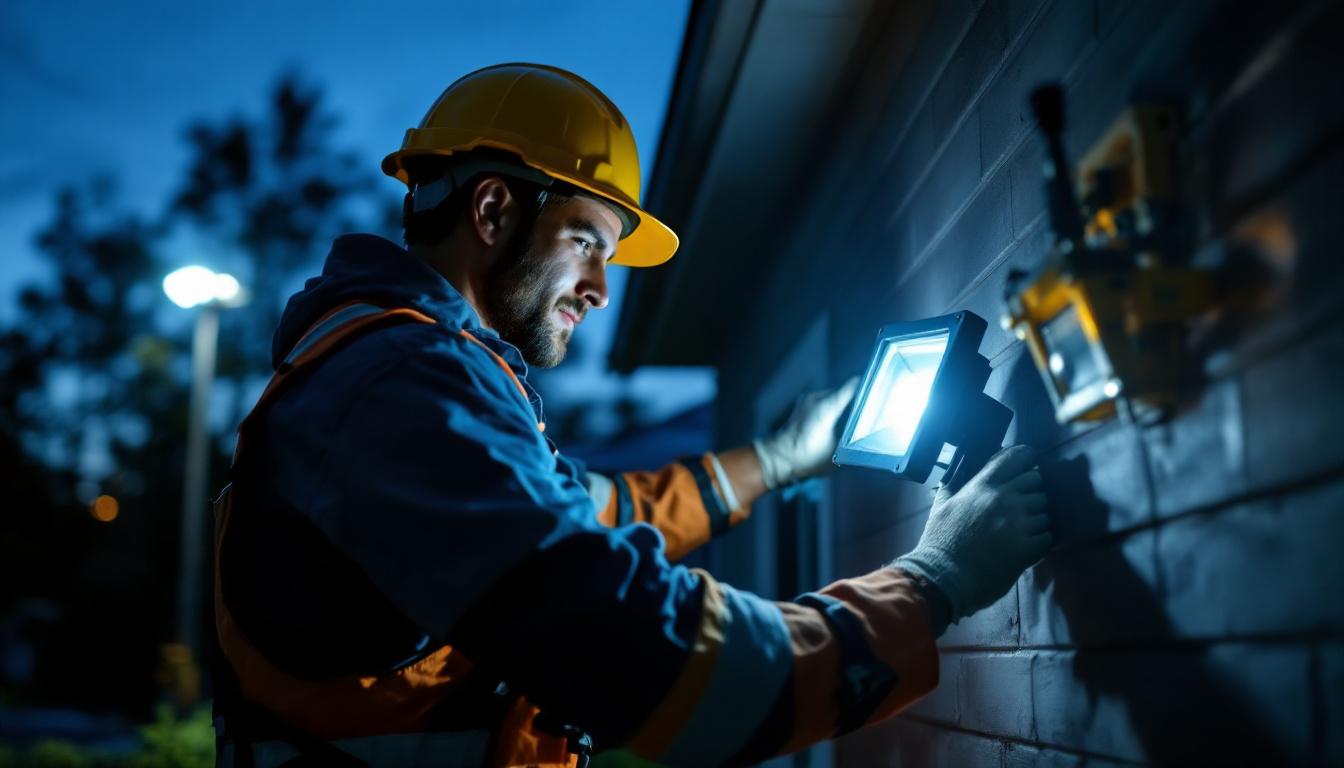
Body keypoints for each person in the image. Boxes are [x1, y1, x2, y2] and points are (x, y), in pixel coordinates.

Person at [210, 63, 1052, 768]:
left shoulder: (412, 375)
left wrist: (784, 456)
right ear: (495, 211)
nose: (600, 289)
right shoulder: (401, 387)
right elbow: (644, 658)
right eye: (587, 241)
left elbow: (596, 515)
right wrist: (933, 583)